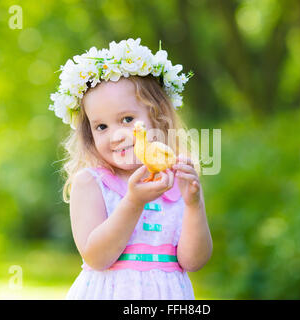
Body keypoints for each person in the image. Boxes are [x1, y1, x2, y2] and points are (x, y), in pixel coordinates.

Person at [49, 38, 212, 299]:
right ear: (89, 134)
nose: (116, 136)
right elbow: (97, 258)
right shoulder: (91, 183)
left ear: (157, 118)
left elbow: (193, 261)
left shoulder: (178, 181)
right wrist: (134, 202)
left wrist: (194, 205)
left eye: (127, 119)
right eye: (101, 127)